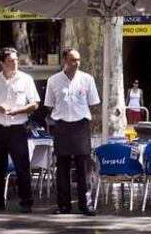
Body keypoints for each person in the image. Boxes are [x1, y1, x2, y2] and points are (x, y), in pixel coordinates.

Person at [0, 47, 40, 213]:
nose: (14, 64)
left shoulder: (26, 79)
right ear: (2, 63)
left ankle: (26, 201)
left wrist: (20, 110)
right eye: (10, 61)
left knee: (22, 166)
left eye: (15, 60)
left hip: (17, 128)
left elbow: (35, 103)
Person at [45, 48, 100, 216]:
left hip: (81, 127)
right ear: (64, 61)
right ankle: (64, 205)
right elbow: (49, 104)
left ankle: (86, 205)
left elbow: (93, 103)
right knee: (62, 168)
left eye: (78, 60)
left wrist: (77, 113)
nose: (76, 63)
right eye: (72, 60)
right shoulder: (53, 80)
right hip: (61, 127)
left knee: (84, 168)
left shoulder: (87, 79)